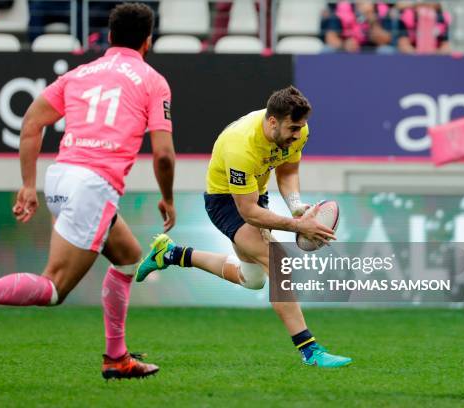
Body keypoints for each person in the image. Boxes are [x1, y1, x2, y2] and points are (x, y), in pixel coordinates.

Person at [0, 3, 176, 381]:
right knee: (54, 288)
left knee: (128, 257)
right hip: (92, 185)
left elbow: (31, 123)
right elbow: (165, 155)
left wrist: (27, 184)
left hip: (61, 176)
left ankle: (116, 357)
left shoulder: (80, 73)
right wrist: (167, 197)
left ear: (108, 37)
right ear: (148, 41)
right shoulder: (153, 80)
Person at [136, 86, 352, 368]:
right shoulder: (241, 145)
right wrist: (299, 225)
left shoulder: (298, 131)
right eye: (293, 128)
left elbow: (288, 170)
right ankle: (310, 350)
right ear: (272, 122)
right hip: (225, 202)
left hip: (254, 194)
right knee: (278, 261)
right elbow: (248, 211)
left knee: (252, 279)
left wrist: (297, 206)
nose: (298, 135)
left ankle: (171, 254)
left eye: (301, 128)